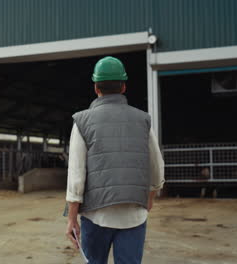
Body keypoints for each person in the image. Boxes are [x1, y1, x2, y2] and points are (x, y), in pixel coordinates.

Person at [65, 56, 165, 264]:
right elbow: (157, 168)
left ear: (95, 88)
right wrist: (150, 197)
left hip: (96, 216)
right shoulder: (143, 120)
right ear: (124, 87)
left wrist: (72, 218)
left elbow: (76, 176)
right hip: (133, 215)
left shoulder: (82, 121)